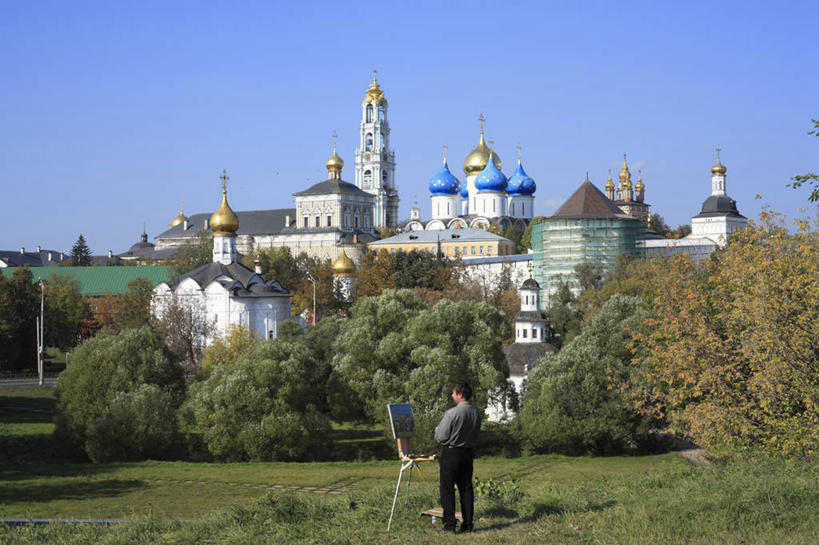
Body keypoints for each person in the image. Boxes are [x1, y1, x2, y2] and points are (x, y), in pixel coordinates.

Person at [434, 381, 481, 533]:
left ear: (460, 395)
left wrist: (437, 430)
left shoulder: (452, 413)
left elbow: (441, 437)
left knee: (447, 489)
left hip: (452, 453)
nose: (452, 395)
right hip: (468, 453)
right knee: (466, 489)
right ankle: (467, 525)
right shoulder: (476, 413)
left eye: (453, 393)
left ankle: (449, 526)